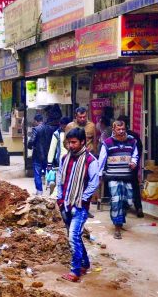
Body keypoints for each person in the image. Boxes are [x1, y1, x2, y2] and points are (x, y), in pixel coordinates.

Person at [55, 128, 101, 283]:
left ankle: (75, 271)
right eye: (69, 142)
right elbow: (60, 179)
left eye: (74, 142)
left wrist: (82, 200)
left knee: (73, 237)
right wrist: (60, 200)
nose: (70, 145)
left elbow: (94, 183)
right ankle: (85, 263)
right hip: (65, 205)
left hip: (79, 207)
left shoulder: (90, 161)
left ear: (82, 142)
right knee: (76, 236)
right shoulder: (64, 159)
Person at [97, 120, 139, 239]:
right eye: (118, 129)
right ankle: (117, 226)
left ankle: (120, 217)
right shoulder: (107, 143)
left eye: (123, 129)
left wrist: (134, 162)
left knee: (128, 200)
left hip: (127, 175)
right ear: (113, 130)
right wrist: (99, 175)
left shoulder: (132, 141)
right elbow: (102, 160)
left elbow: (135, 155)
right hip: (113, 176)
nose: (121, 132)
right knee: (116, 200)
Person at [117, 115, 145, 217]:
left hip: (120, 167)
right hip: (132, 166)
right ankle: (138, 207)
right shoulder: (134, 135)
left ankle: (123, 208)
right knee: (135, 186)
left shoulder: (117, 136)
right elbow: (140, 149)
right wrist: (135, 162)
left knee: (121, 186)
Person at [29, 113, 55, 195]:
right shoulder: (50, 129)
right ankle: (51, 182)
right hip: (48, 155)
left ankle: (39, 191)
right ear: (42, 120)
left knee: (37, 174)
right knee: (49, 170)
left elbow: (31, 141)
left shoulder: (36, 129)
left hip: (37, 155)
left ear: (36, 121)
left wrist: (29, 146)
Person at [47, 117, 71, 195]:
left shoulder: (73, 133)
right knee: (60, 181)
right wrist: (49, 163)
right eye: (62, 126)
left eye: (65, 126)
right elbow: (52, 148)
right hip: (60, 162)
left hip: (71, 160)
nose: (63, 127)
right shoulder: (57, 134)